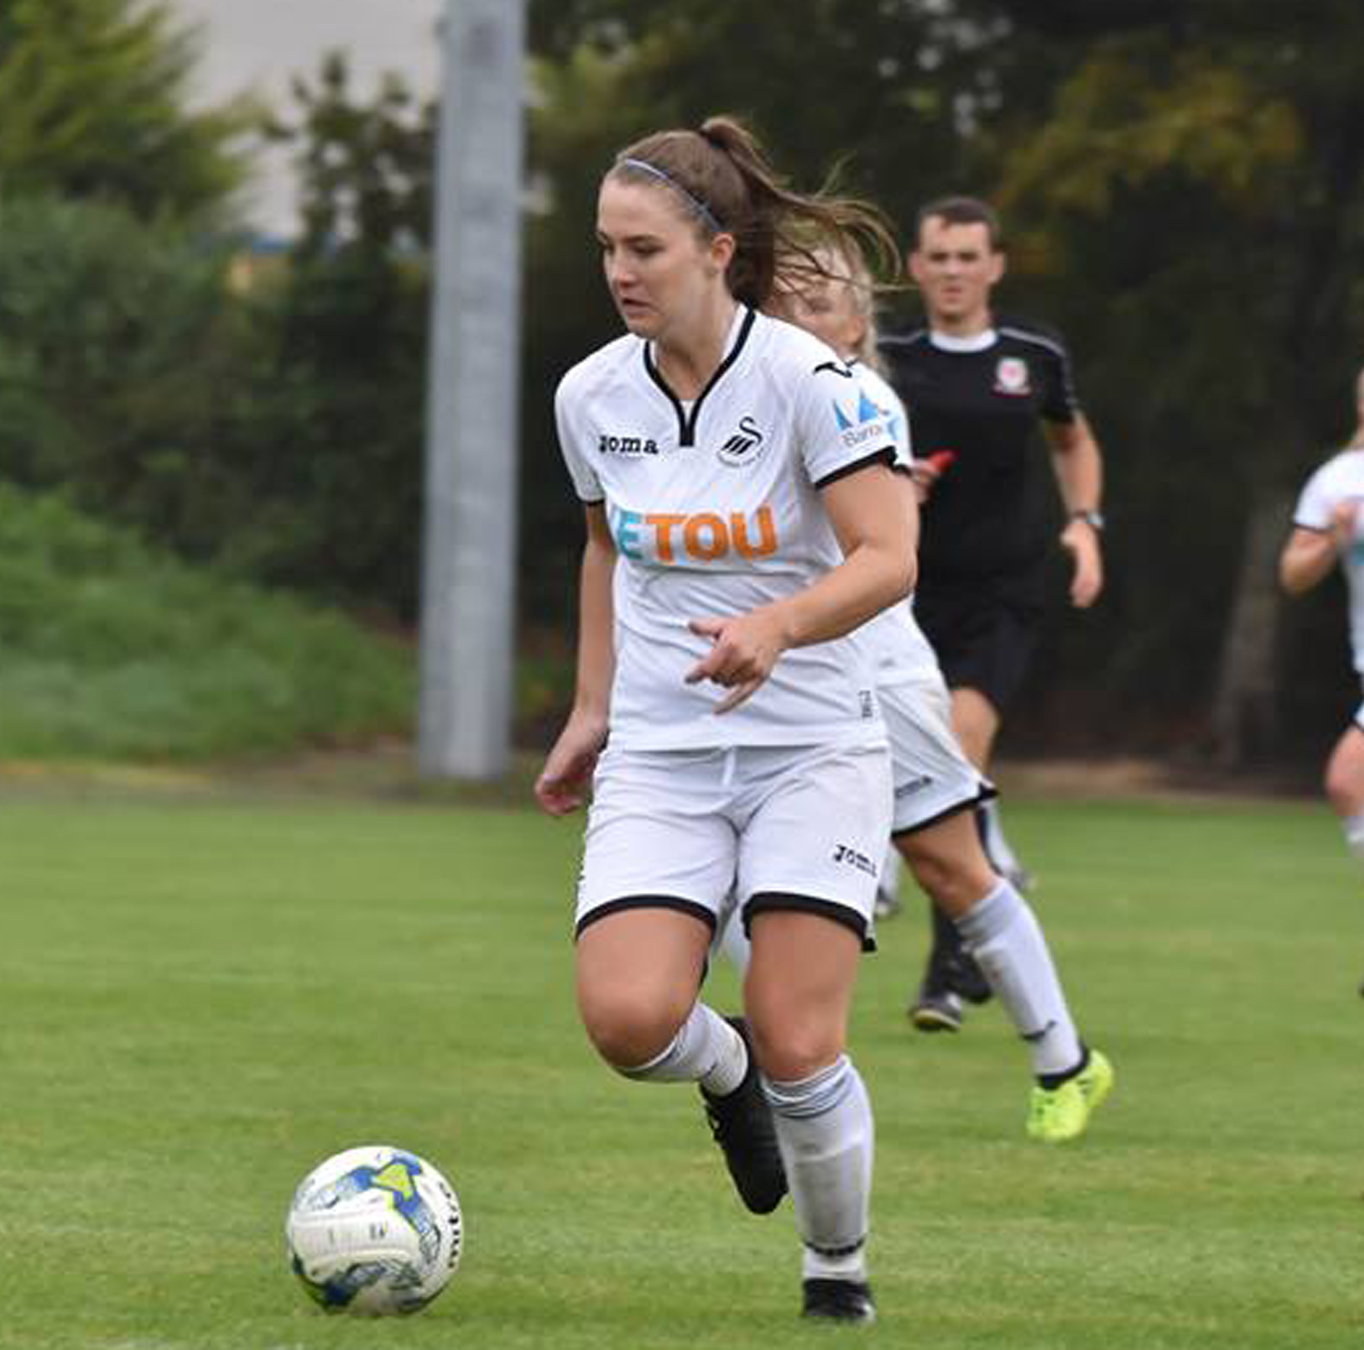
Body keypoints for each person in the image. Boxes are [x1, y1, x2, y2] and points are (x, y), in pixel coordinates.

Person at [534, 117, 914, 1323]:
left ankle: (835, 1270)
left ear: (717, 246)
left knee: (808, 1040)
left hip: (812, 747)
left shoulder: (815, 386)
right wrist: (592, 707)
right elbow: (604, 548)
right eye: (605, 250)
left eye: (643, 248)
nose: (621, 273)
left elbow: (890, 556)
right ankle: (725, 1069)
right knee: (630, 1018)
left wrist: (782, 626)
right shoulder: (591, 395)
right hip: (662, 752)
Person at [741, 245, 1113, 1142]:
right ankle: (757, 1069)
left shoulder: (864, 402)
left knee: (953, 866)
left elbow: (880, 550)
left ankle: (1065, 1062)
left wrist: (899, 493)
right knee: (737, 874)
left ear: (854, 324)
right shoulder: (741, 402)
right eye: (782, 296)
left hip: (875, 670)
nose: (798, 310)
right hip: (784, 670)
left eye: (819, 297)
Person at [876, 197, 1108, 1032]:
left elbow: (1074, 440)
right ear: (915, 264)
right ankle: (914, 895)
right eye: (939, 256)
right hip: (901, 593)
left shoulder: (1033, 355)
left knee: (958, 750)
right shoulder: (886, 358)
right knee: (916, 764)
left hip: (1005, 593)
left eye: (969, 256)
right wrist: (896, 484)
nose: (953, 271)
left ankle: (948, 972)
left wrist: (1085, 525)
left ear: (995, 265)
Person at [1278, 351, 1364, 998]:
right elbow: (1294, 575)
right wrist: (1334, 536)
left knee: (1348, 778)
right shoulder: (1337, 480)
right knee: (1358, 786)